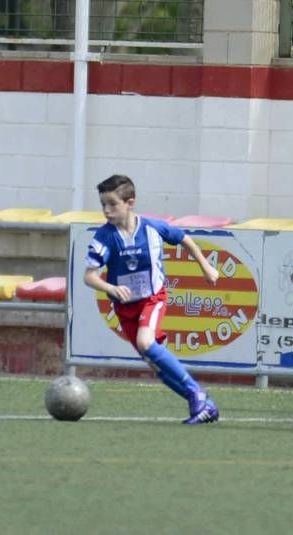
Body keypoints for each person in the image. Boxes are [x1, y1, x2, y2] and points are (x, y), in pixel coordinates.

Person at [83, 174, 220, 425]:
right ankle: (203, 404)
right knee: (155, 364)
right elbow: (89, 277)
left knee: (145, 342)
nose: (106, 210)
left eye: (112, 204)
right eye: (103, 204)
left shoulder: (153, 228)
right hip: (125, 308)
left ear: (130, 202)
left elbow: (184, 239)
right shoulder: (104, 237)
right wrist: (111, 288)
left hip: (152, 299)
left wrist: (205, 266)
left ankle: (197, 395)